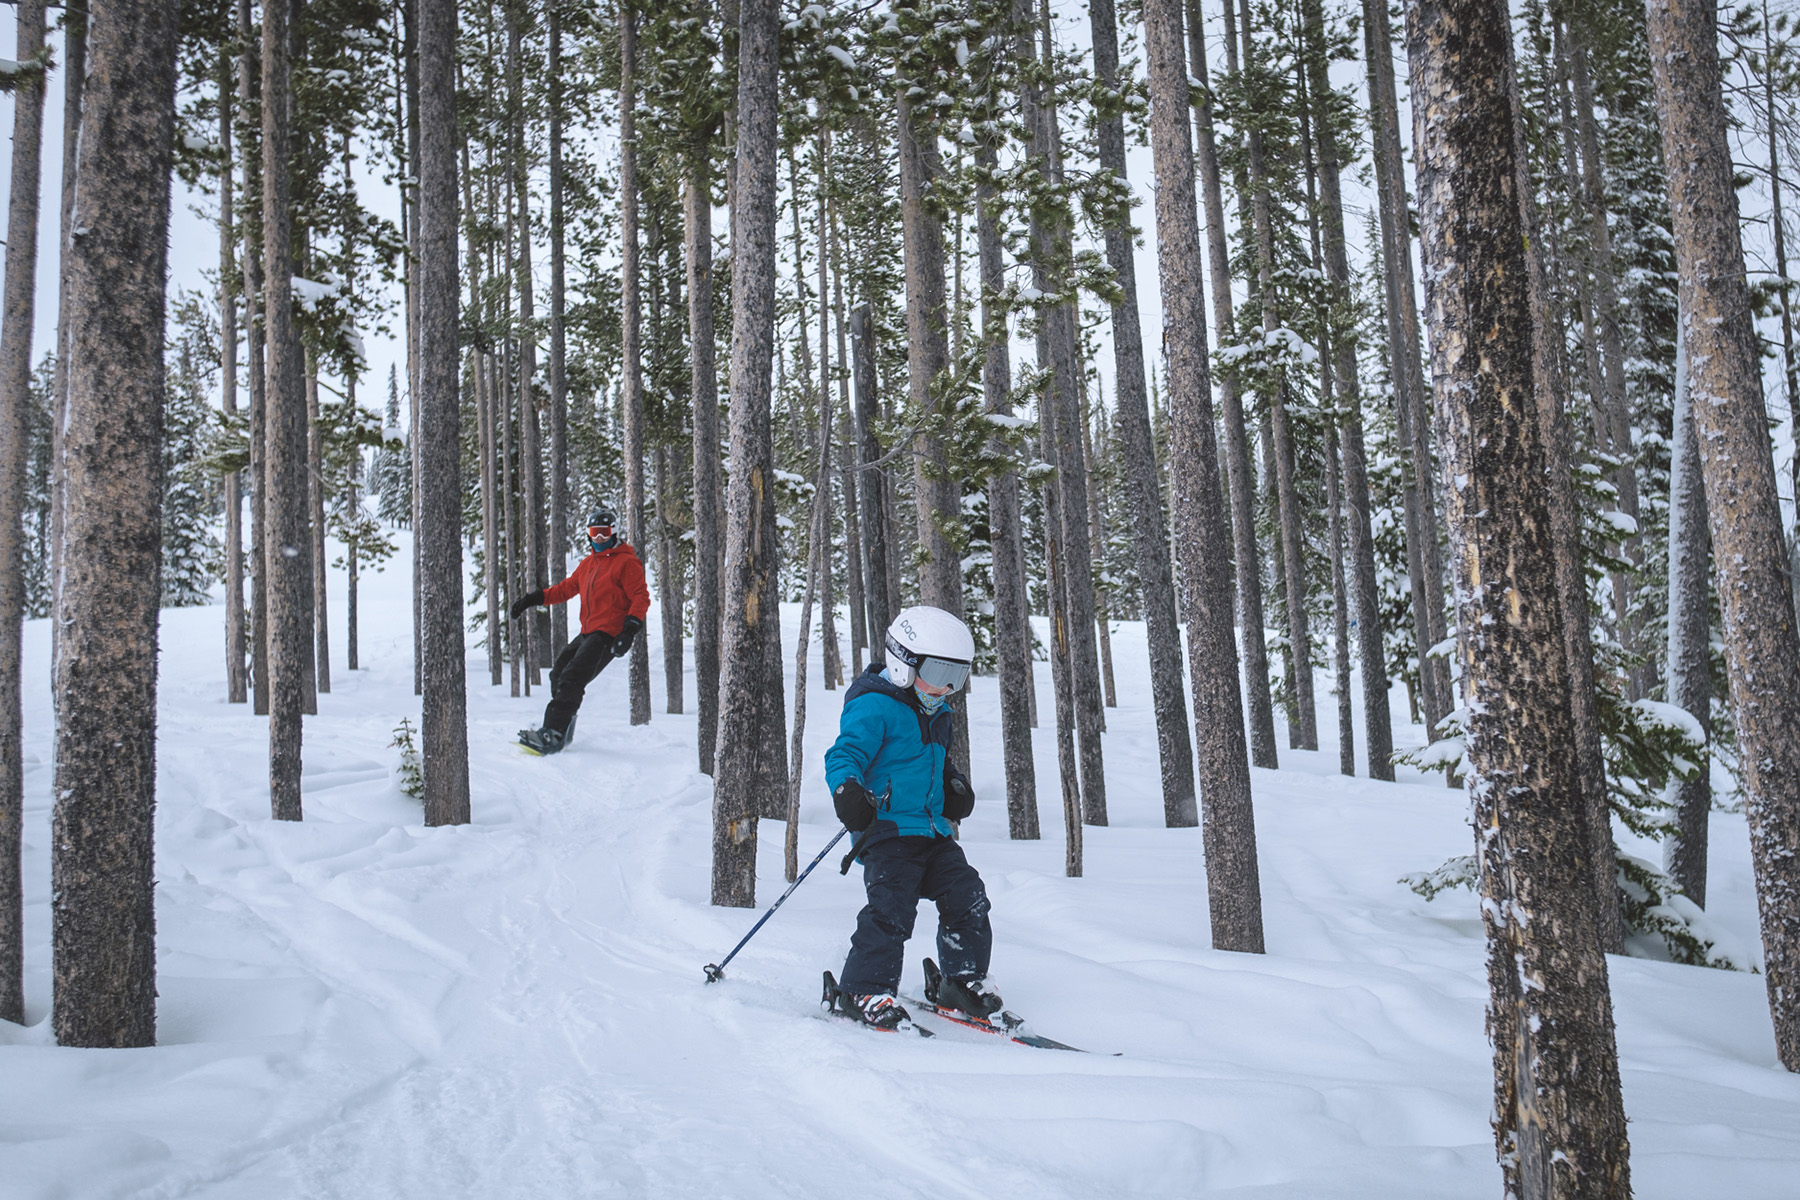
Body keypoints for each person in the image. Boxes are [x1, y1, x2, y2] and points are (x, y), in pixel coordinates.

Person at [823, 605, 1002, 1031]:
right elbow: (844, 754)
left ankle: (962, 979)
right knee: (891, 909)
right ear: (903, 663)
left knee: (968, 896)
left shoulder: (938, 711)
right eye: (939, 673)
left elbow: (936, 764)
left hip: (932, 831)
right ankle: (864, 987)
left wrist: (953, 786)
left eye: (956, 678)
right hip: (886, 831)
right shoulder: (875, 706)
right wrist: (848, 790)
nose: (945, 689)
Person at [511, 507, 649, 755]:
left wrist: (629, 630)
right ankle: (562, 730)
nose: (598, 539)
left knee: (573, 677)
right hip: (589, 631)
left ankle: (552, 733)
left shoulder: (626, 562)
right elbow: (565, 589)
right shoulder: (588, 564)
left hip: (608, 634)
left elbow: (640, 597)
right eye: (594, 533)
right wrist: (532, 599)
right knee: (559, 673)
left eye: (603, 533)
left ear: (613, 533)